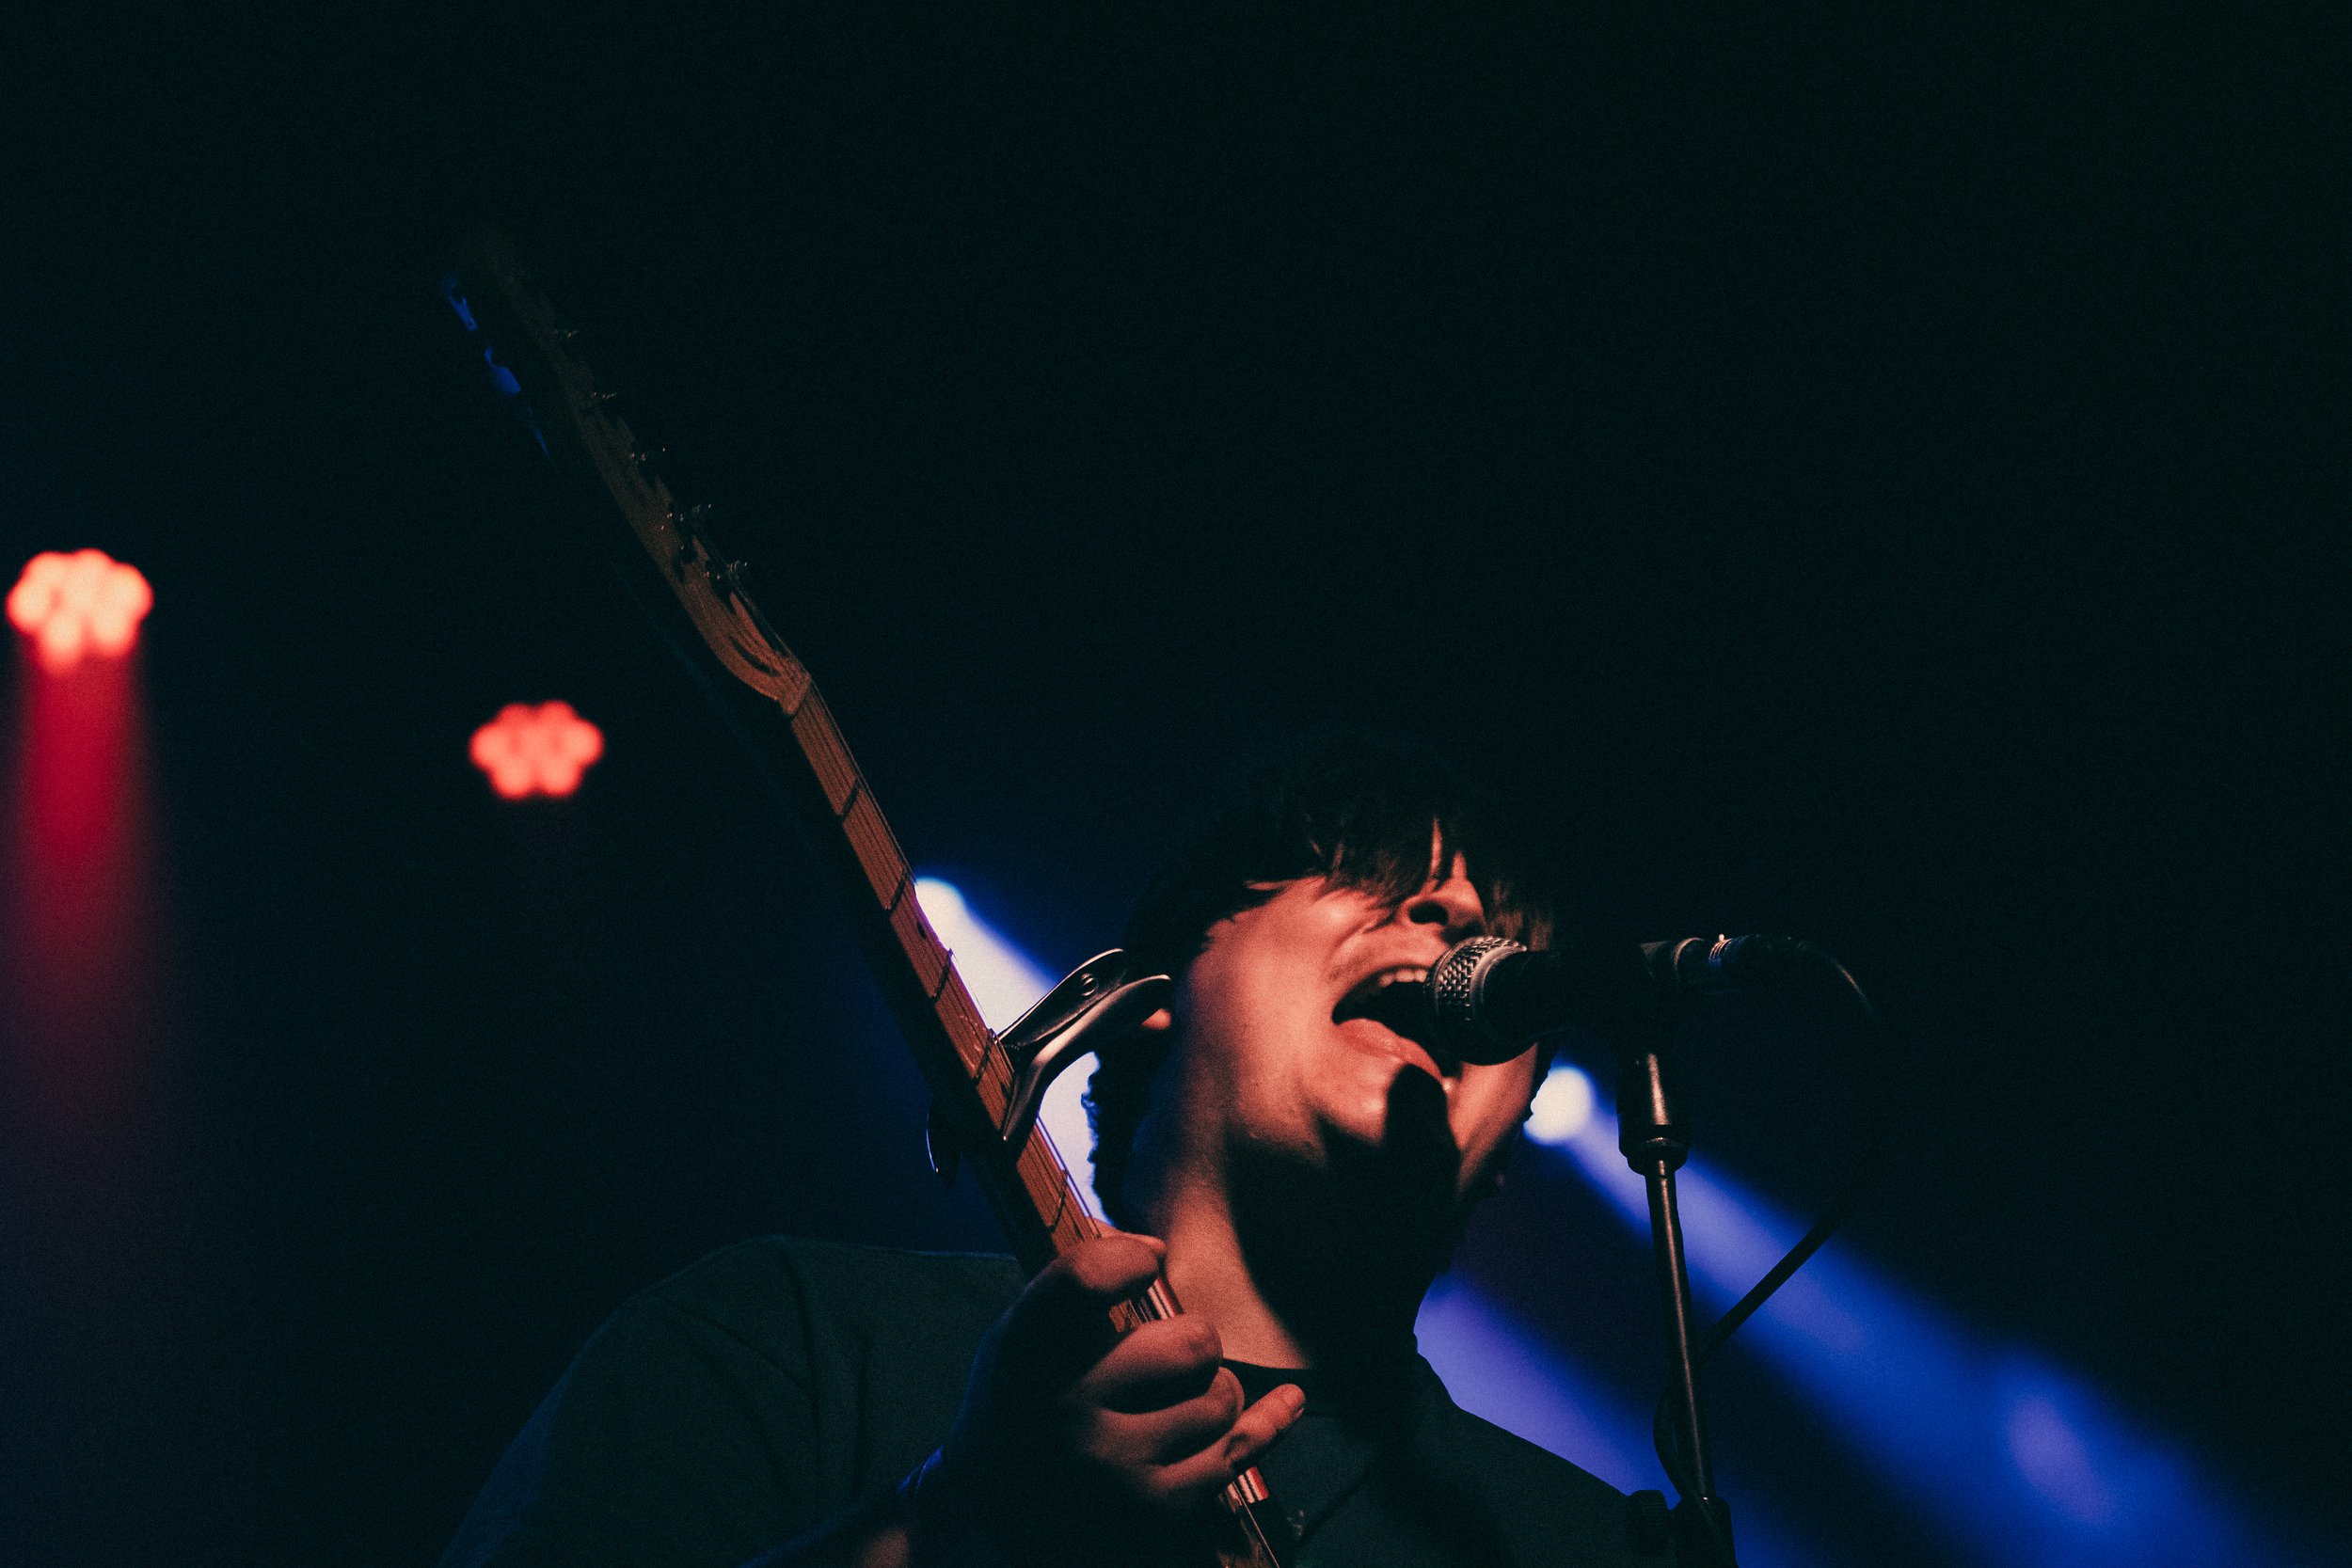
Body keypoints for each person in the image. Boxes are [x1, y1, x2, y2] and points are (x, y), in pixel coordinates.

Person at [439, 736, 1665, 1565]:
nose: (1454, 921)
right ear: (1159, 985)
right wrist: (946, 1535)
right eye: (1372, 879)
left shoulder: (1583, 1547)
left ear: (1510, 1144)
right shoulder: (793, 1336)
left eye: (1503, 942)